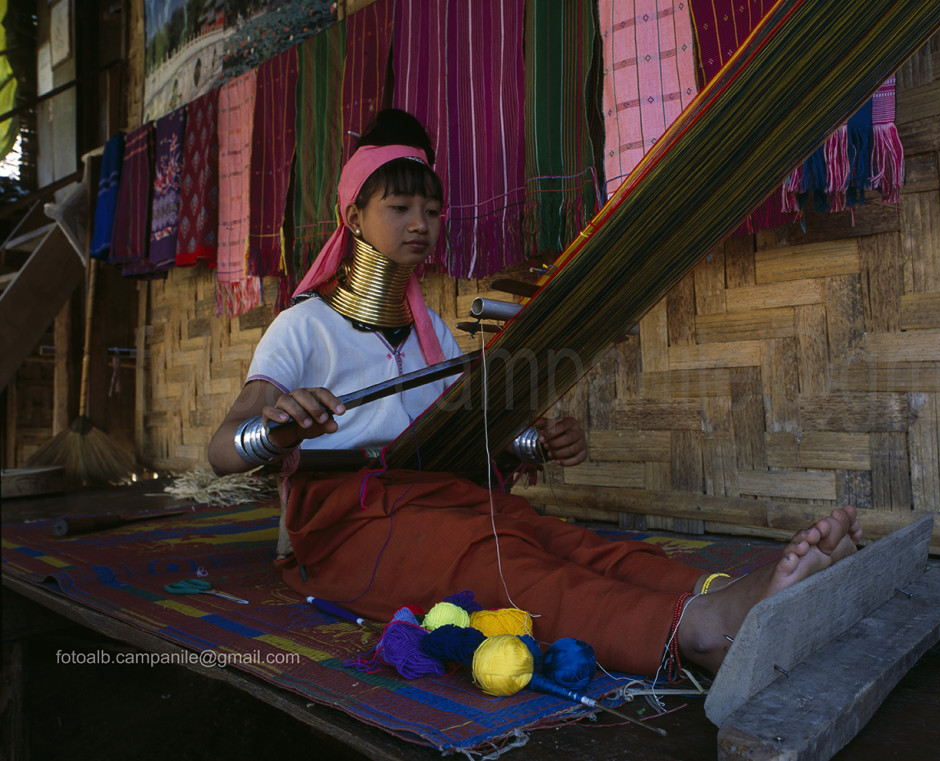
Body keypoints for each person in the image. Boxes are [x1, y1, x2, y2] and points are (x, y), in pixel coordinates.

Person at [208, 109, 862, 677]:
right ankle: (691, 627)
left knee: (553, 535)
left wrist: (530, 441)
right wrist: (276, 426)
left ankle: (719, 587)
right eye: (400, 208)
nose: (421, 224)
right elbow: (223, 449)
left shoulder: (432, 330)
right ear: (353, 216)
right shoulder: (303, 326)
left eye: (432, 212)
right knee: (502, 559)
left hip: (433, 492)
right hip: (343, 521)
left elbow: (457, 431)